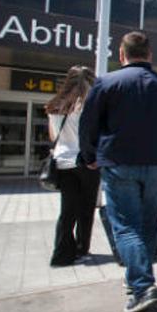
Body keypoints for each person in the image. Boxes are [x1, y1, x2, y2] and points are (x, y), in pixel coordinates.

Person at [79, 31, 157, 312]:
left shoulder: (106, 83)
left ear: (121, 54)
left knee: (127, 228)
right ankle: (136, 279)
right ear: (150, 55)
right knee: (147, 226)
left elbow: (88, 123)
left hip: (119, 164)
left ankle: (142, 288)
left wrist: (89, 156)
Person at [46, 66, 98, 267]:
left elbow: (53, 137)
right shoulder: (87, 105)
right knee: (86, 209)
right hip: (86, 163)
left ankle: (61, 254)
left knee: (67, 211)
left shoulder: (56, 105)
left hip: (63, 163)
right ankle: (81, 249)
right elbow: (92, 137)